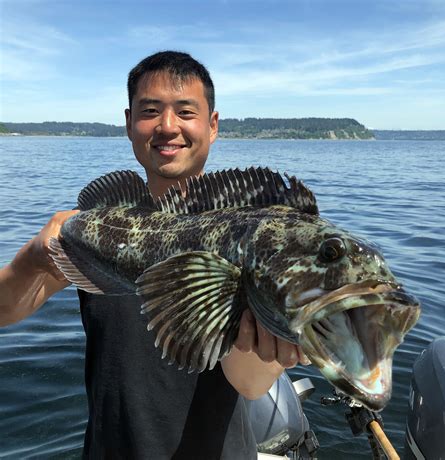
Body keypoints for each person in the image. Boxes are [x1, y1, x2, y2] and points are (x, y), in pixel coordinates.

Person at [0, 51, 309, 459]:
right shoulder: (96, 230)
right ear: (129, 123)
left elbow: (250, 385)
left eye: (185, 111)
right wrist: (34, 258)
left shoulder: (251, 239)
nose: (167, 126)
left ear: (212, 126)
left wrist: (276, 331)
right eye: (150, 111)